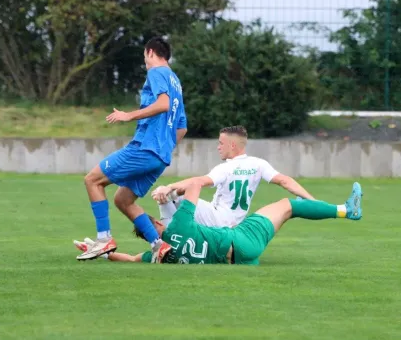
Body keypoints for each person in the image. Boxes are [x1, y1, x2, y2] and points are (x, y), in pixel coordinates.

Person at [77, 37, 187, 261]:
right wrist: (163, 149)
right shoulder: (176, 82)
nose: (145, 62)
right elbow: (182, 128)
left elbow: (162, 104)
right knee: (123, 200)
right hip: (160, 157)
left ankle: (103, 238)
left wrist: (128, 115)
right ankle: (158, 245)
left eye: (145, 57)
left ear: (150, 52)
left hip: (145, 149)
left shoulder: (157, 72)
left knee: (92, 180)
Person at [73, 182, 363, 264]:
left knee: (279, 217)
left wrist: (102, 251)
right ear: (155, 227)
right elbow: (197, 187)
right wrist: (174, 187)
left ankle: (252, 262)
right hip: (241, 240)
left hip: (239, 258)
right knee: (288, 205)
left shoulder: (158, 257)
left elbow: (131, 259)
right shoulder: (179, 227)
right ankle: (345, 210)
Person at [152, 125, 314, 229]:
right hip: (234, 223)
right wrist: (311, 200)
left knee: (166, 194)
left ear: (233, 145)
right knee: (175, 195)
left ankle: (169, 243)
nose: (218, 147)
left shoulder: (226, 168)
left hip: (217, 219)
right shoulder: (258, 164)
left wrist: (169, 186)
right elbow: (285, 181)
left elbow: (198, 182)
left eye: (221, 143)